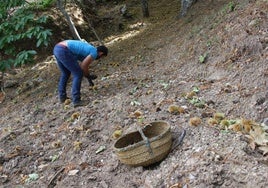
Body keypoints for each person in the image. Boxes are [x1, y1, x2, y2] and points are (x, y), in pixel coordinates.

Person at [53, 40, 108, 107]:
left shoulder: (88, 50)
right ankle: (76, 100)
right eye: (102, 57)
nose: (99, 58)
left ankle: (62, 97)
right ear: (101, 53)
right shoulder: (94, 53)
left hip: (58, 48)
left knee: (65, 73)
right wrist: (88, 76)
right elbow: (83, 66)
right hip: (63, 49)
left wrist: (89, 80)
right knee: (78, 74)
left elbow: (85, 67)